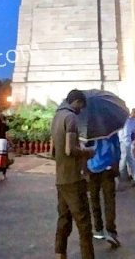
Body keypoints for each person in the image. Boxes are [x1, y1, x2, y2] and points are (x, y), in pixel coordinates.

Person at [50, 89, 95, 259]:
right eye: (81, 106)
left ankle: (60, 254)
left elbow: (52, 152)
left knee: (64, 219)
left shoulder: (56, 117)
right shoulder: (71, 118)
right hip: (74, 178)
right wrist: (87, 152)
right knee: (84, 224)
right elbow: (70, 150)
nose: (81, 110)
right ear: (76, 101)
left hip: (60, 178)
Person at [86, 133, 121, 248]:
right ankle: (111, 231)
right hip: (108, 167)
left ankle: (98, 229)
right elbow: (116, 149)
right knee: (109, 200)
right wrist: (116, 165)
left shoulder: (88, 130)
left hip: (92, 168)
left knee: (94, 199)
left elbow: (84, 149)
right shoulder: (110, 131)